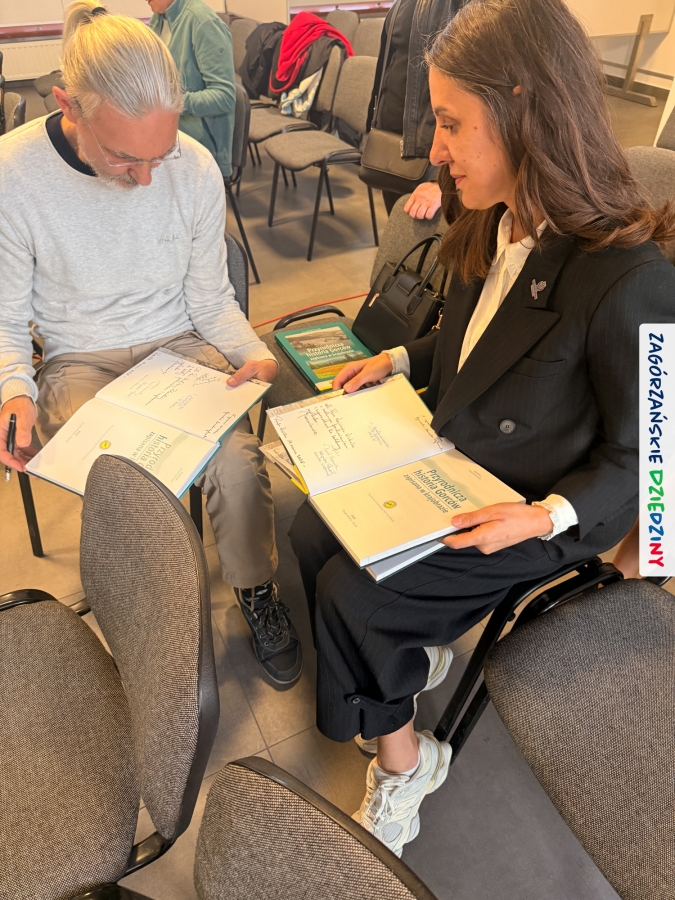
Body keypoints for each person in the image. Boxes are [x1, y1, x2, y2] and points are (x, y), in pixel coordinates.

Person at [289, 0, 675, 856]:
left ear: (523, 112)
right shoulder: (491, 217)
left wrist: (543, 518)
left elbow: (655, 459)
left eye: (450, 122)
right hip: (465, 461)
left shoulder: (631, 280)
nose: (435, 148)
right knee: (313, 528)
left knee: (353, 595)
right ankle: (400, 661)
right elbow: (478, 345)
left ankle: (406, 763)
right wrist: (399, 360)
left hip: (543, 508)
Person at [0, 0, 302, 685]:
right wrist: (14, 388)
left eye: (157, 157)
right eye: (125, 157)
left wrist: (252, 352)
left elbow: (211, 299)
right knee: (129, 481)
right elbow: (7, 317)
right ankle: (149, 615)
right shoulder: (13, 175)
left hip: (178, 344)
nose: (145, 179)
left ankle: (256, 589)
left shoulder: (192, 167)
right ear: (68, 106)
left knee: (237, 465)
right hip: (79, 357)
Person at [147, 0, 236, 179]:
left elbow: (224, 96)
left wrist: (171, 102)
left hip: (200, 143)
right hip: (170, 129)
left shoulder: (203, 22)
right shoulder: (159, 18)